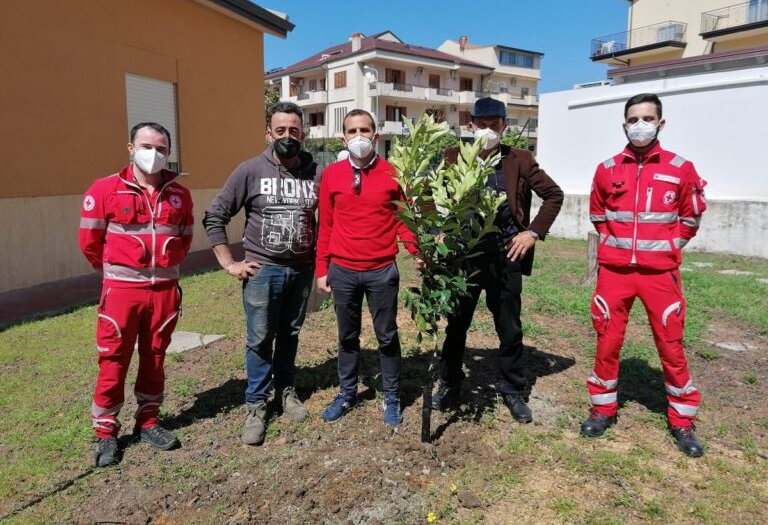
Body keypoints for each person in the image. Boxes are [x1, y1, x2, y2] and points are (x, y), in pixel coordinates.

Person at [581, 93, 708, 458]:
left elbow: (691, 217)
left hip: (659, 275)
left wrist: (668, 247)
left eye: (648, 118)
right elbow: (598, 214)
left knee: (671, 345)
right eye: (633, 119)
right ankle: (602, 409)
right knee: (607, 342)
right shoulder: (607, 168)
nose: (640, 125)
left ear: (660, 124)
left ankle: (682, 420)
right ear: (624, 124)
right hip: (615, 273)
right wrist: (616, 248)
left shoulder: (681, 168)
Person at [431, 97, 563, 423]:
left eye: (494, 125)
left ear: (504, 126)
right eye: (482, 124)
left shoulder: (520, 159)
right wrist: (440, 232)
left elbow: (553, 195)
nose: (487, 130)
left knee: (509, 327)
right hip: (466, 256)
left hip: (506, 255)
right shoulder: (453, 156)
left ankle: (513, 389)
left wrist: (531, 233)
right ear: (470, 125)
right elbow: (434, 199)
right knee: (457, 324)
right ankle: (450, 383)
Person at [203, 102, 322, 446]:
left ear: (303, 133)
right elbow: (215, 216)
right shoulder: (250, 170)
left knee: (290, 334)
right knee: (259, 339)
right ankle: (256, 404)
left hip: (300, 271)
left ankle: (285, 392)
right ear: (268, 133)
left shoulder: (316, 172)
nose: (288, 137)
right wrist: (229, 262)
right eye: (281, 130)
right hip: (262, 271)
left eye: (294, 131)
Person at [79, 122, 194, 467]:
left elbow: (184, 238)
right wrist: (119, 273)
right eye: (147, 146)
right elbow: (90, 243)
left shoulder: (180, 194)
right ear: (130, 148)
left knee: (155, 356)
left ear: (169, 153)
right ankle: (105, 434)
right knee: (113, 361)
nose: (153, 154)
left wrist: (162, 271)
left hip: (163, 292)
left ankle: (148, 422)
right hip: (121, 294)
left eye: (161, 149)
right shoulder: (104, 190)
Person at [316, 109, 425, 426]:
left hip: (381, 271)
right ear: (343, 137)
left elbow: (404, 221)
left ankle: (392, 397)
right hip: (343, 270)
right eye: (353, 131)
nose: (359, 137)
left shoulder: (393, 174)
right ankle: (347, 392)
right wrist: (322, 268)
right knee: (347, 337)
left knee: (387, 336)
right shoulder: (332, 175)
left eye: (365, 130)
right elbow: (326, 225)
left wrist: (418, 252)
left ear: (376, 136)